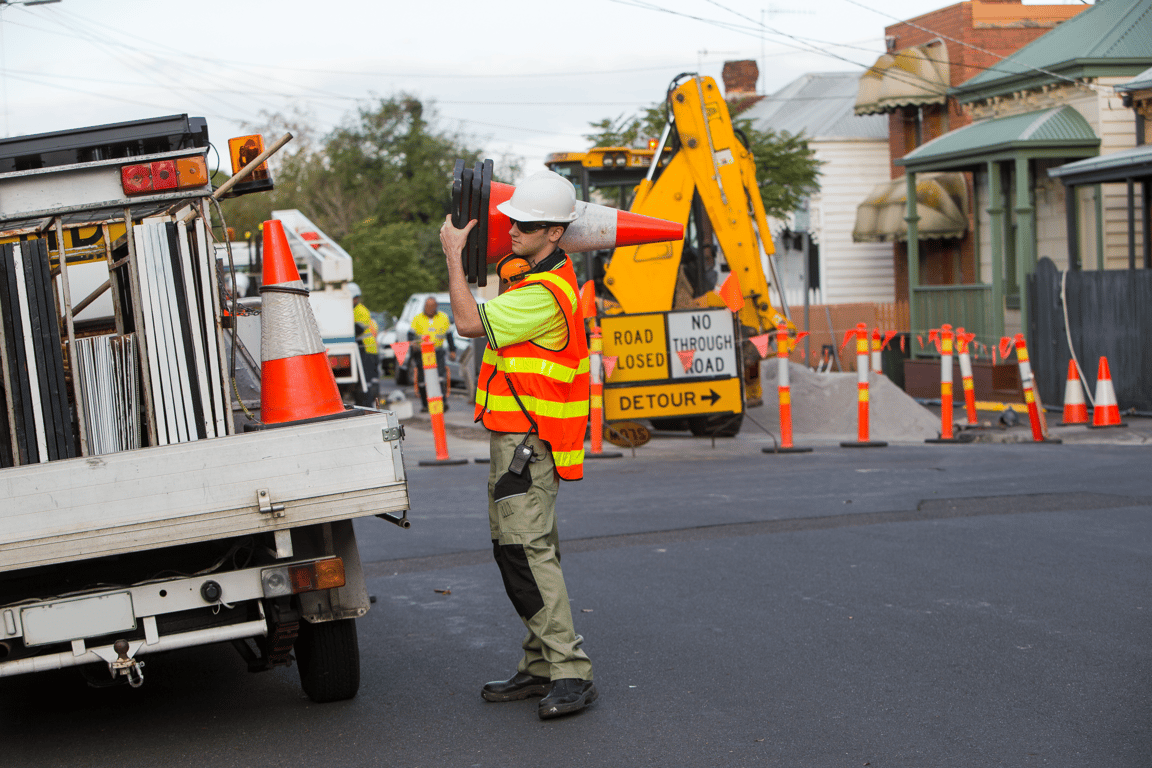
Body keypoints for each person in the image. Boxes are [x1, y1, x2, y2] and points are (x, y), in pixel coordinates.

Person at [440, 169, 596, 720]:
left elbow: (465, 321)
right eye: (512, 220)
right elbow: (508, 273)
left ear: (556, 233)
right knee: (527, 551)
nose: (514, 230)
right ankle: (540, 664)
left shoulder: (544, 297)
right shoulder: (538, 277)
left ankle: (570, 670)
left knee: (526, 555)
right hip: (523, 443)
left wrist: (455, 256)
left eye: (526, 226)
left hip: (526, 447)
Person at [408, 297, 456, 412]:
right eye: (427, 306)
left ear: (436, 306)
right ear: (424, 306)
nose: (429, 309)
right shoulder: (417, 318)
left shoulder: (443, 318)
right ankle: (425, 405)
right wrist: (412, 346)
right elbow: (410, 335)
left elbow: (449, 336)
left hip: (437, 352)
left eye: (432, 306)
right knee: (422, 380)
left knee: (439, 378)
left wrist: (452, 350)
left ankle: (442, 403)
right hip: (421, 353)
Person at [348, 282, 379, 407]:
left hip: (366, 349)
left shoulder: (361, 311)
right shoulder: (353, 310)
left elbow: (356, 330)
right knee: (361, 380)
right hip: (362, 349)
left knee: (366, 381)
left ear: (355, 298)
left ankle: (367, 405)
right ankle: (363, 404)